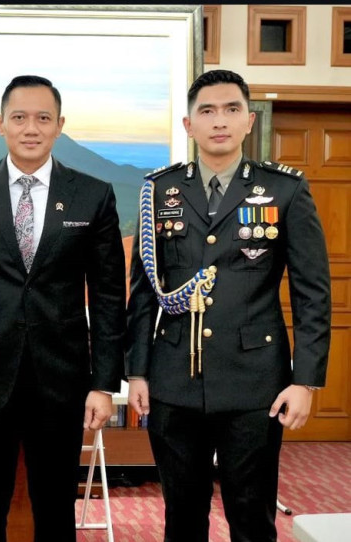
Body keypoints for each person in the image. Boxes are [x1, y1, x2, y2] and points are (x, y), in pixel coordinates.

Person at [126, 69, 332, 541]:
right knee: (181, 514)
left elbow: (312, 292)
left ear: (249, 122)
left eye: (232, 109)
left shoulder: (284, 190)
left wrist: (305, 381)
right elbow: (142, 291)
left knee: (250, 513)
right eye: (208, 111)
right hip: (173, 378)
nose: (220, 121)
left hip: (255, 382)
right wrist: (137, 371)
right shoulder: (159, 191)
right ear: (188, 124)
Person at [0, 75, 127, 542]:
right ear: (0, 124)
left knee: (56, 507)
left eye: (42, 118)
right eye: (19, 117)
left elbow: (108, 296)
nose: (30, 128)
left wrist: (103, 383)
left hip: (62, 380)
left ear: (60, 125)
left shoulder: (92, 194)